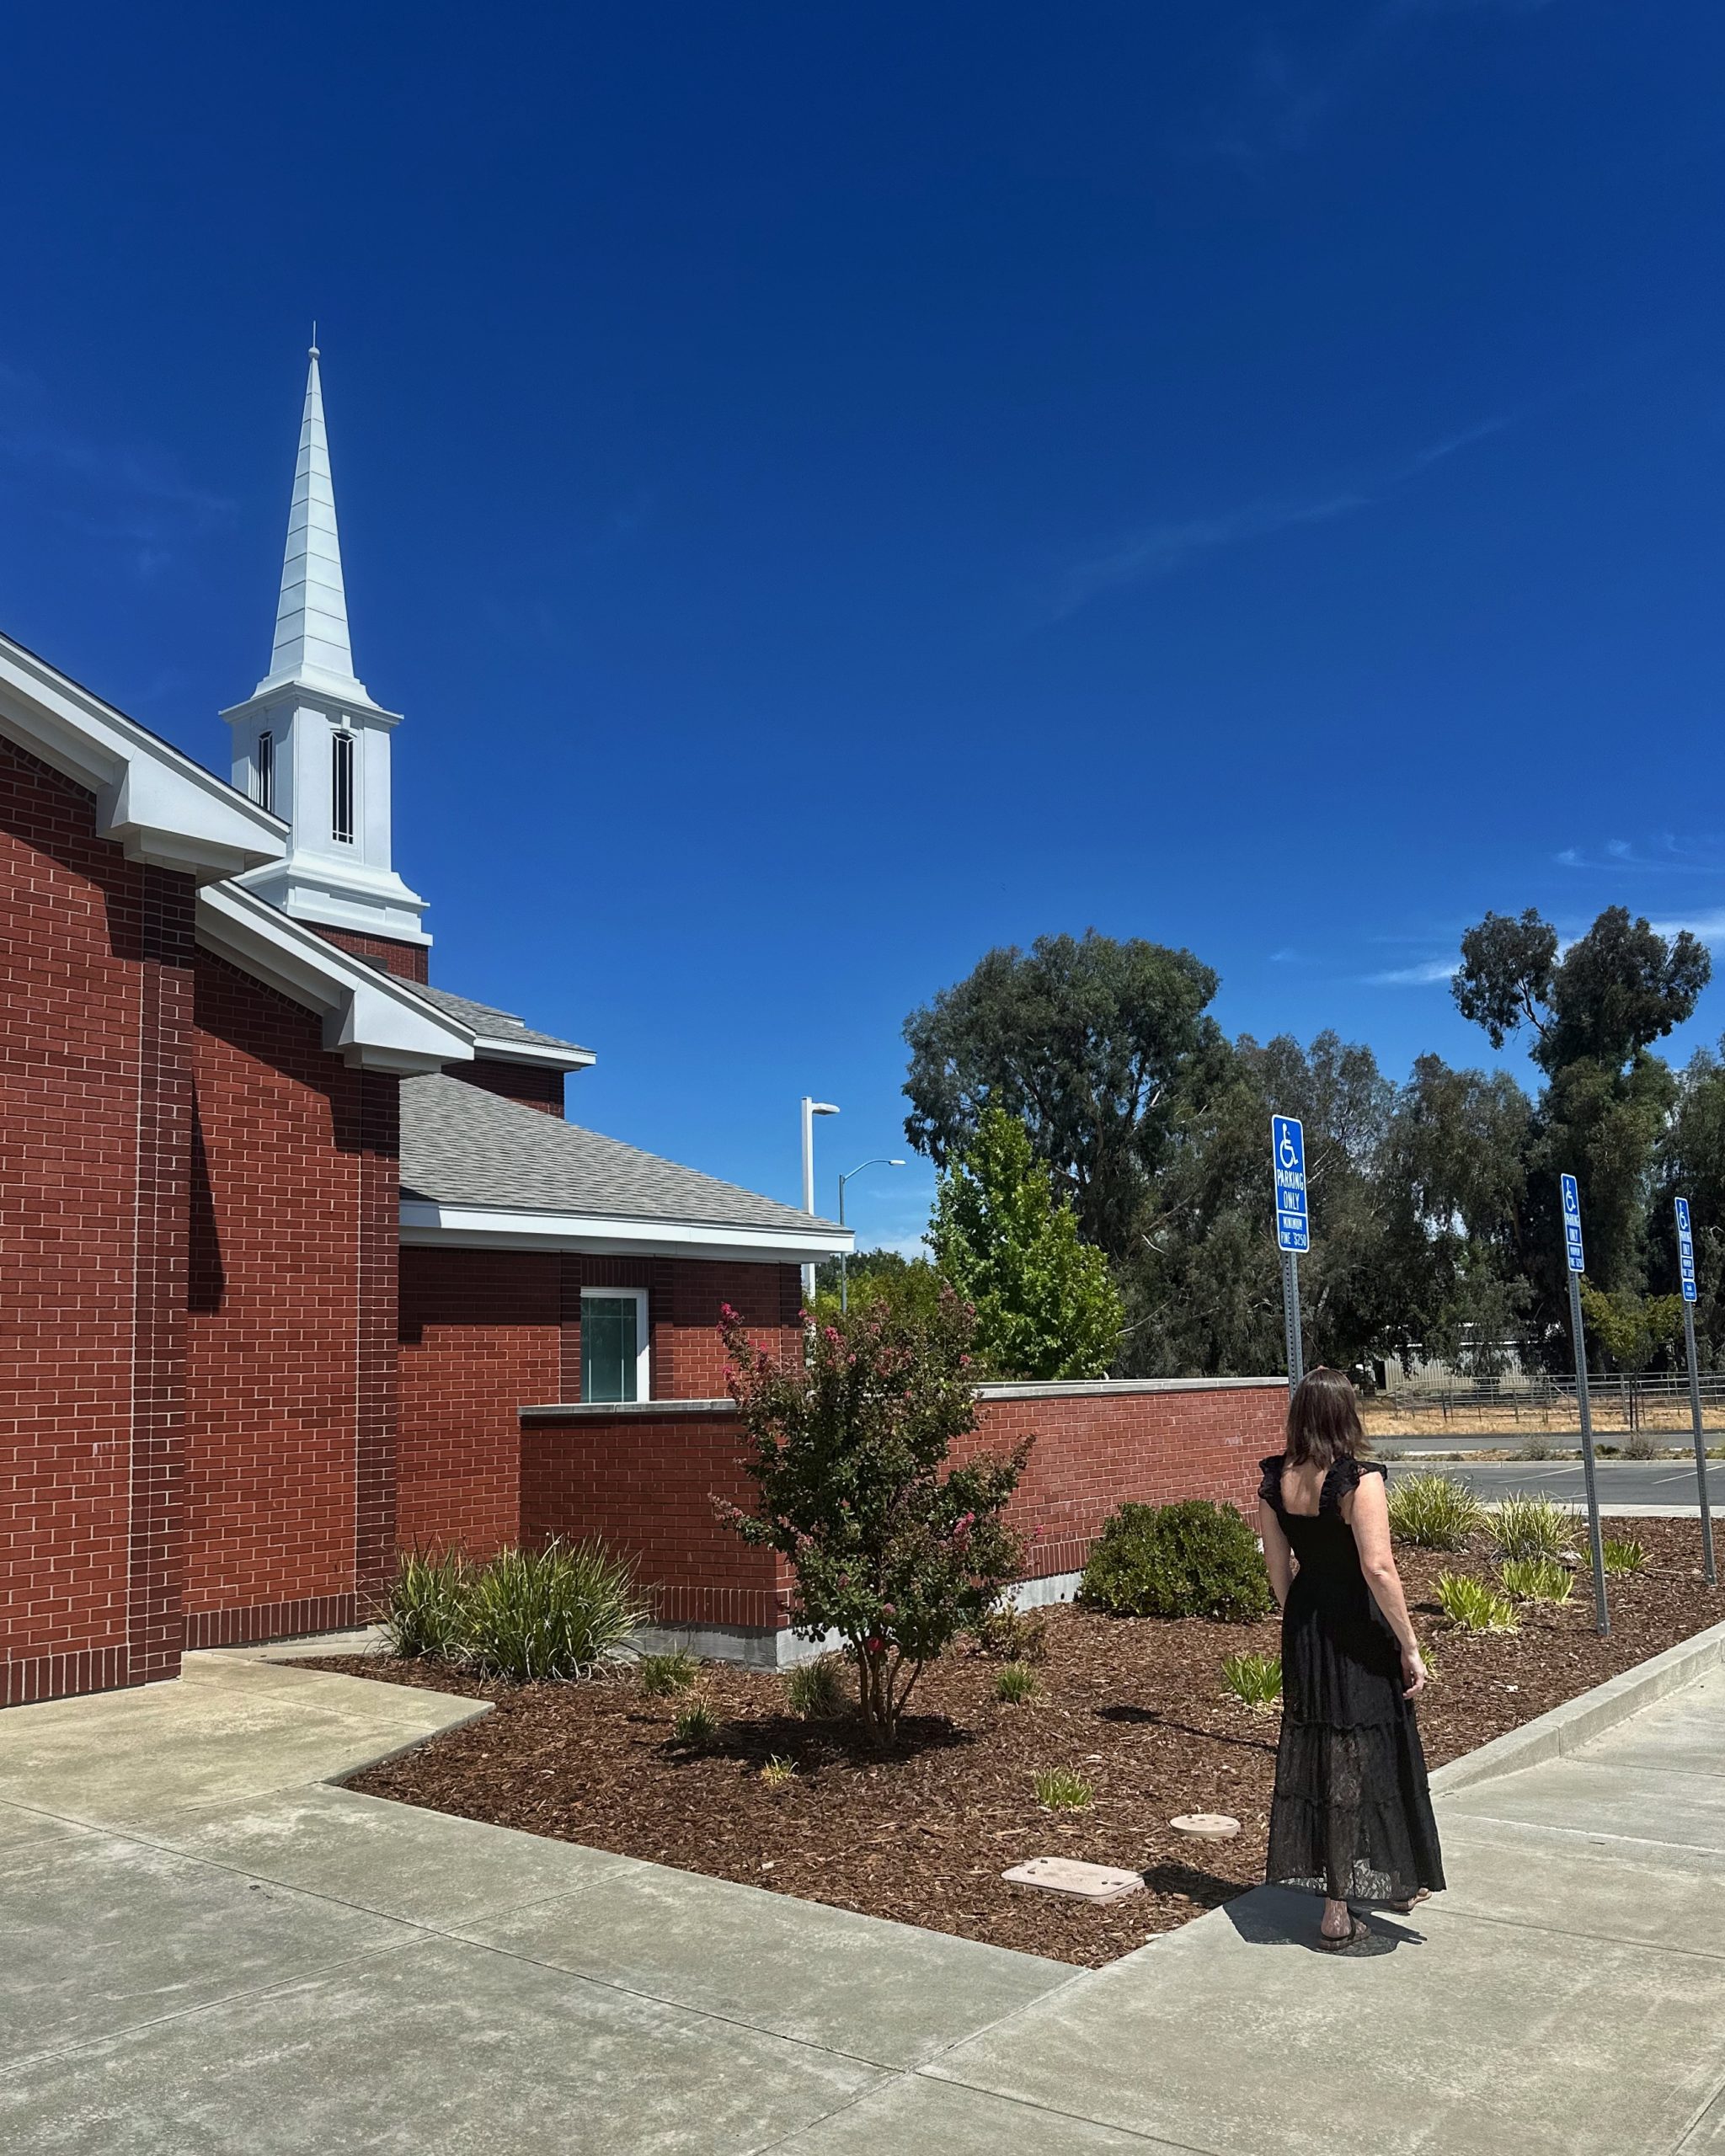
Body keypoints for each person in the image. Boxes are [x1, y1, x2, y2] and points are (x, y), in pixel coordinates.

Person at [1258, 1366, 1445, 1950]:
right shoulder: (1359, 1480)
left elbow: (1276, 1569)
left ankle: (1348, 1895)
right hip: (1358, 1629)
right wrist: (1410, 1644)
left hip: (1309, 1624)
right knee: (1371, 1749)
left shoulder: (1276, 1479)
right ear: (1346, 1415)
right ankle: (1372, 1888)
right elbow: (1379, 1566)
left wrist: (1303, 1617)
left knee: (1322, 1751)